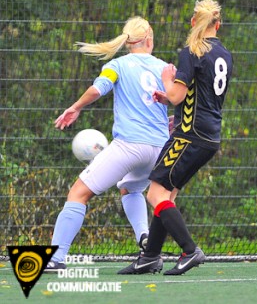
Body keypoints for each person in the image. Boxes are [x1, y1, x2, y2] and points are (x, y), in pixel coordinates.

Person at [46, 17, 170, 272]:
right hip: (160, 148)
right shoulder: (165, 68)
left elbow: (98, 88)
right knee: (130, 188)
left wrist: (75, 107)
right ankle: (146, 243)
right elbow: (180, 97)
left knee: (78, 193)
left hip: (129, 146)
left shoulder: (117, 65)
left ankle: (56, 257)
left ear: (127, 42)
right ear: (149, 40)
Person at [118, 0, 233, 276]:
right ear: (218, 25)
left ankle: (190, 250)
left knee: (155, 193)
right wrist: (176, 107)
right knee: (166, 194)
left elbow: (177, 94)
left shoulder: (191, 51)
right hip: (209, 136)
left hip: (188, 136)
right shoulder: (225, 54)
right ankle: (150, 256)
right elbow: (201, 96)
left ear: (194, 22)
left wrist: (167, 79)